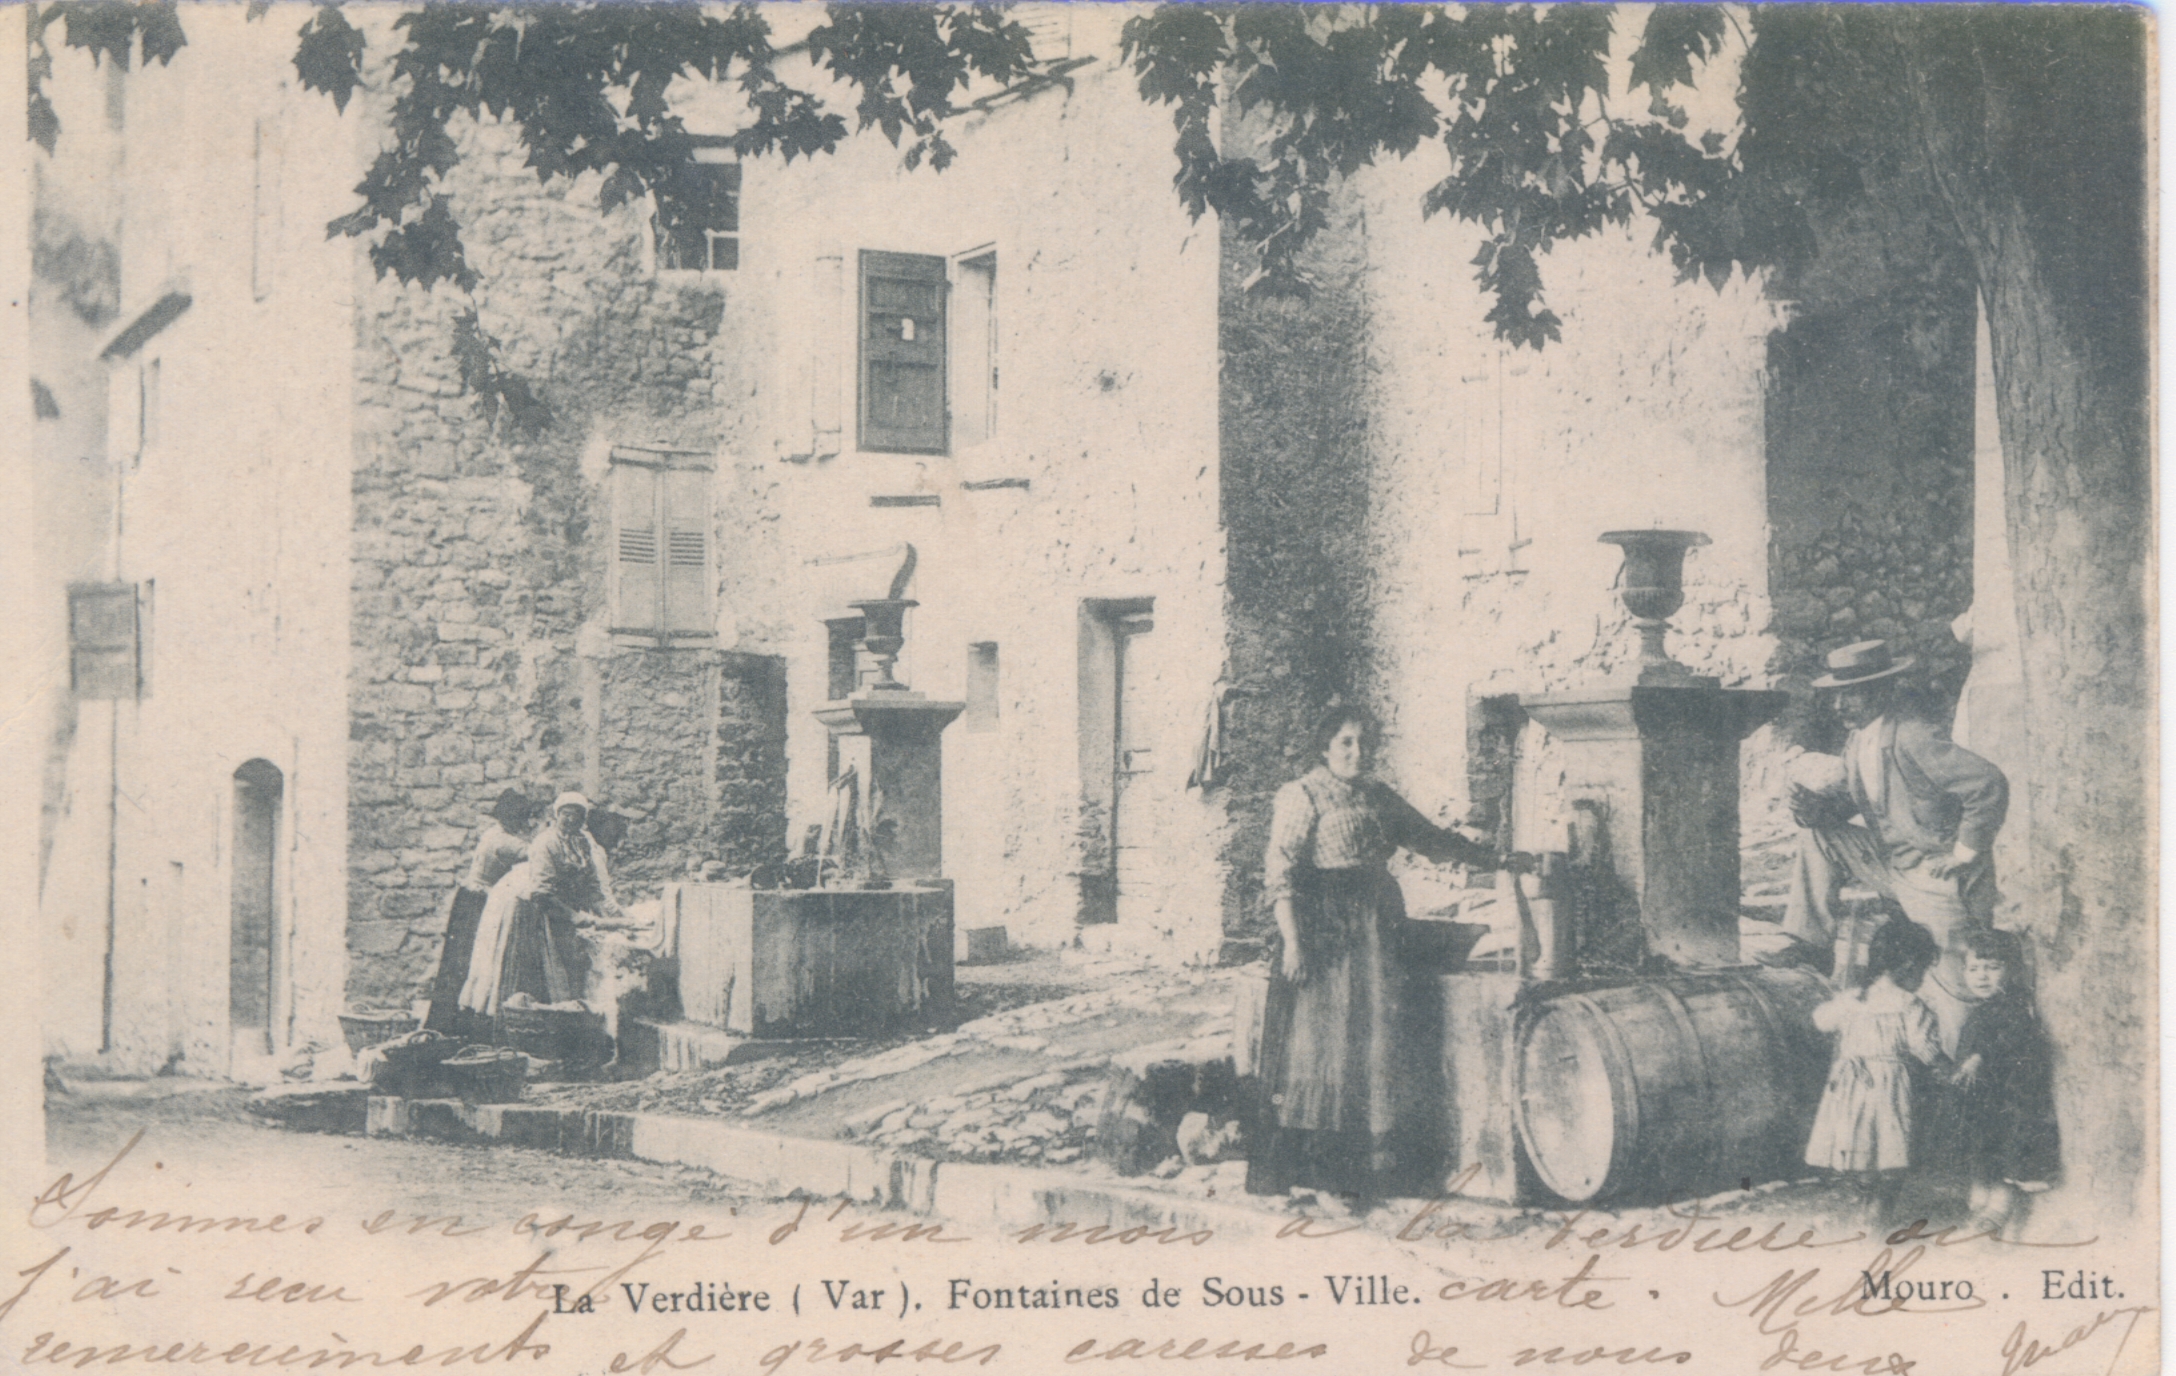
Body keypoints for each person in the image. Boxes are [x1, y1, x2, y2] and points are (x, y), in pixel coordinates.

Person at [1246, 703, 1506, 1200]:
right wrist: (1294, 945)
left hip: (1377, 927)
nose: (1356, 751)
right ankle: (1319, 1169)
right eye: (1345, 741)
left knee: (1374, 1041)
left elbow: (1430, 838)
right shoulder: (1301, 796)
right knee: (1324, 1047)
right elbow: (1280, 875)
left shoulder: (1378, 796)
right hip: (1324, 932)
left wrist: (1493, 857)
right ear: (1324, 746)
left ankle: (1372, 1171)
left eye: (1364, 741)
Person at [1781, 640, 2009, 972]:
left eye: (1851, 694)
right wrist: (1816, 810)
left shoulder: (1914, 736)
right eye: (1835, 695)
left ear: (1881, 691)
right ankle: (1812, 946)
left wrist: (1964, 853)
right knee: (1817, 836)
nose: (1838, 705)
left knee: (1951, 980)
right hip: (1892, 864)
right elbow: (1861, 800)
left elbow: (1988, 783)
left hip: (1933, 874)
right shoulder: (1858, 739)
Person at [1805, 917, 1950, 1223]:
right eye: (1923, 971)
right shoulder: (1910, 1005)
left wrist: (1845, 1003)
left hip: (1850, 1088)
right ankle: (1877, 1218)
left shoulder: (1854, 999)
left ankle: (1865, 1209)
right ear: (1910, 965)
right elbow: (1925, 1048)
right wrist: (1947, 1069)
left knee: (1863, 1151)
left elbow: (1821, 1020)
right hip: (1887, 1089)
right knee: (1891, 1155)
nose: (1922, 979)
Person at [1920, 926, 2061, 1238]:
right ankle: (1984, 1224)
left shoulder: (2012, 1007)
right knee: (1982, 1167)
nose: (1982, 976)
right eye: (1973, 969)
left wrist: (1979, 1056)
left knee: (1999, 1170)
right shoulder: (1983, 1009)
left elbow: (2012, 1039)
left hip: (2005, 1103)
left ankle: (1987, 1228)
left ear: (2010, 970)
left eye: (1992, 967)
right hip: (1983, 1103)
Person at [459, 792, 625, 1023]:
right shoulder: (545, 843)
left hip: (555, 904)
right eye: (566, 815)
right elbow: (542, 893)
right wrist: (574, 915)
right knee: (533, 973)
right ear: (557, 816)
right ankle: (524, 1025)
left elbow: (592, 884)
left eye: (577, 817)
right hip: (529, 908)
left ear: (583, 820)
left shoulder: (583, 843)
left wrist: (614, 913)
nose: (571, 821)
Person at [422, 789, 539, 1033]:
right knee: (472, 962)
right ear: (508, 818)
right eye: (519, 819)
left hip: (467, 898)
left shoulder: (493, 833)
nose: (522, 824)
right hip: (478, 904)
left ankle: (450, 1023)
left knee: (460, 964)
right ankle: (457, 1026)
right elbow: (539, 855)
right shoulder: (503, 841)